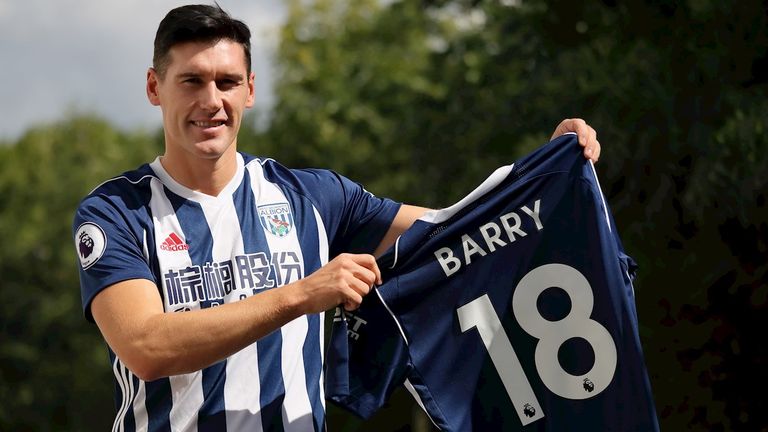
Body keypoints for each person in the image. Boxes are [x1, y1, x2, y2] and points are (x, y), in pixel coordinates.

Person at [72, 4, 601, 431]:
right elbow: (146, 346)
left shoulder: (313, 195)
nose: (211, 101)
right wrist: (302, 294)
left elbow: (457, 231)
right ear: (153, 88)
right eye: (191, 81)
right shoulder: (114, 211)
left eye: (227, 82)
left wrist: (543, 174)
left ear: (250, 90)